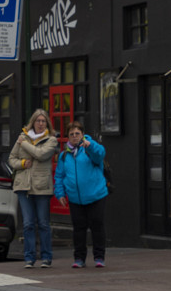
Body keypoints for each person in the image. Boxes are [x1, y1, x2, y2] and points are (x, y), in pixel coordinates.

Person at [54, 120, 108, 269]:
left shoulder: (89, 149)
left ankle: (99, 257)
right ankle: (79, 258)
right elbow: (59, 176)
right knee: (78, 228)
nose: (74, 136)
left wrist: (90, 146)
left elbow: (100, 154)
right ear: (68, 137)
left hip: (96, 195)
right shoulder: (64, 156)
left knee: (97, 226)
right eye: (71, 134)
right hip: (75, 198)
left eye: (77, 133)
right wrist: (60, 194)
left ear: (83, 134)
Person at [8, 108, 58, 268]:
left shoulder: (51, 140)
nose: (40, 124)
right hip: (23, 186)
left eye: (43, 121)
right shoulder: (23, 137)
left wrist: (24, 144)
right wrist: (22, 163)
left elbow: (41, 154)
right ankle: (29, 258)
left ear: (47, 123)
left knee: (43, 223)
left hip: (42, 186)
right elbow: (11, 159)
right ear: (33, 122)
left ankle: (46, 257)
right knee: (28, 223)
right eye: (38, 121)